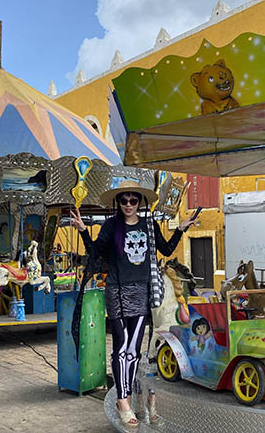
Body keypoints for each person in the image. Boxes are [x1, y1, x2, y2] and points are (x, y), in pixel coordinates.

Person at [70, 180, 197, 427]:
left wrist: (180, 229)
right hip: (116, 291)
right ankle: (123, 400)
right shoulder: (111, 226)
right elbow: (95, 254)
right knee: (121, 347)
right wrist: (84, 230)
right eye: (124, 200)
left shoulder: (149, 225)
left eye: (133, 200)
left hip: (141, 292)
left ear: (139, 203)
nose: (128, 204)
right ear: (118, 203)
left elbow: (167, 249)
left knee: (133, 352)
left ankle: (127, 397)